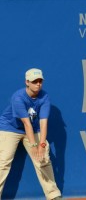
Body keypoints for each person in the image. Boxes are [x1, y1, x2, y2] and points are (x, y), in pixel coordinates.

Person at [0, 68, 62, 200]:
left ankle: (53, 195)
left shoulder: (45, 97)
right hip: (10, 128)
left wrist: (42, 144)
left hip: (33, 129)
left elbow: (43, 123)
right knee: (3, 162)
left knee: (43, 159)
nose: (38, 84)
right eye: (34, 81)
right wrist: (34, 145)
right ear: (27, 82)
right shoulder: (18, 97)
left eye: (40, 81)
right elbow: (26, 123)